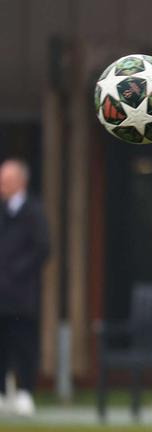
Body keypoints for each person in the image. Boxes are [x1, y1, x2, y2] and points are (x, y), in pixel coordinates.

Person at [0, 159, 50, 416]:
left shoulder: (34, 212)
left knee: (24, 344)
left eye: (6, 180)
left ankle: (25, 392)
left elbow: (42, 250)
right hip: (1, 295)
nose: (2, 186)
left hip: (23, 294)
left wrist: (15, 272)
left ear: (21, 181)